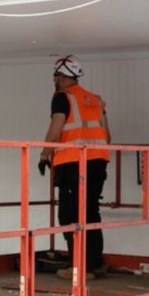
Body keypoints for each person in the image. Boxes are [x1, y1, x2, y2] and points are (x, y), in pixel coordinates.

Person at [37, 56, 111, 282]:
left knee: (69, 215)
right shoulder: (95, 100)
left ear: (60, 77)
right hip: (98, 161)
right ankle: (95, 263)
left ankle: (80, 267)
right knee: (90, 211)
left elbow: (56, 128)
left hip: (73, 163)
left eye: (56, 77)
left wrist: (44, 155)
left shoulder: (62, 97)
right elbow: (108, 136)